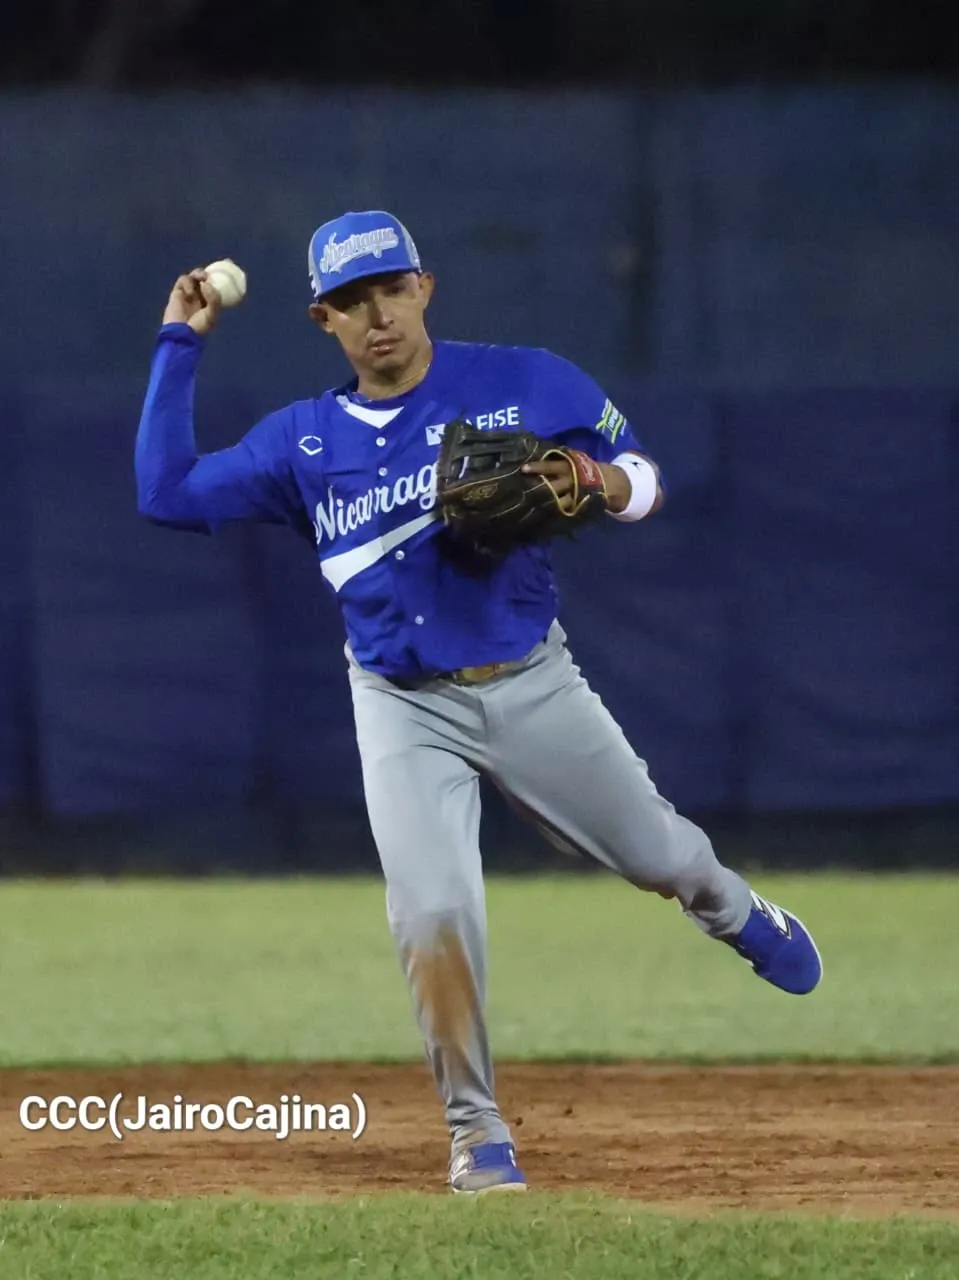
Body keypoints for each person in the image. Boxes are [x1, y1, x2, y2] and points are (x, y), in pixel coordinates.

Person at [135, 209, 822, 1195]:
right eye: (352, 302)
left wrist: (594, 478)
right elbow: (166, 492)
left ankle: (733, 907)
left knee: (660, 856)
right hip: (400, 704)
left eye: (391, 289)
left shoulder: (522, 380)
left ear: (424, 287)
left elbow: (645, 481)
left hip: (530, 680)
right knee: (431, 913)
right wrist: (179, 342)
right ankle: (475, 1130)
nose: (378, 315)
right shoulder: (302, 441)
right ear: (323, 318)